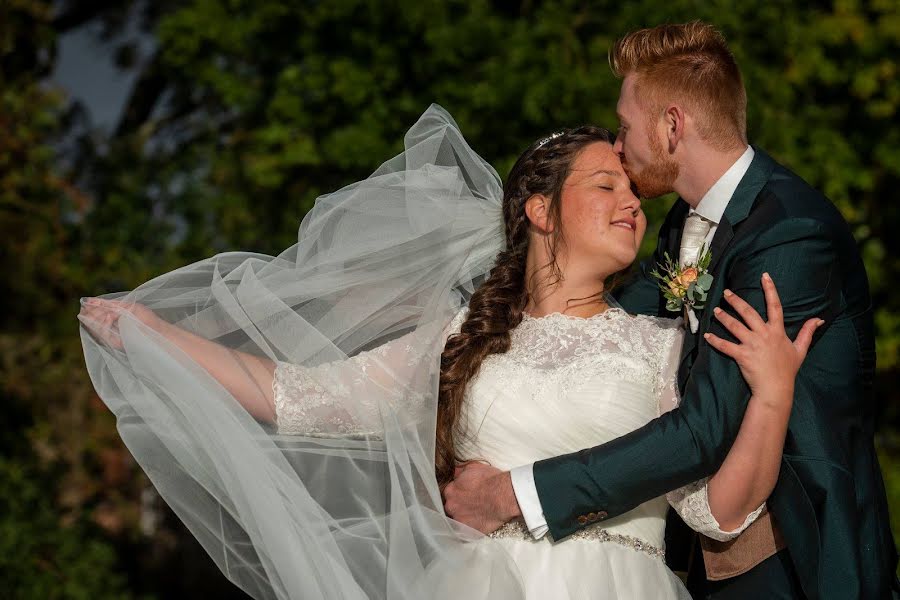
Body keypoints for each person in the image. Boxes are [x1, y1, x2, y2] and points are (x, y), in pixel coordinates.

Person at [80, 106, 814, 599]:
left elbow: (719, 513)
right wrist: (153, 332)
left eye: (635, 193)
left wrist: (773, 394)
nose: (633, 203)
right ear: (539, 210)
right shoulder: (463, 337)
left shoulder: (662, 345)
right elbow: (293, 395)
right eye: (605, 186)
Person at [445, 21, 899, 600]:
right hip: (704, 562)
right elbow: (594, 317)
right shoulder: (688, 225)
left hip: (795, 560)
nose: (618, 145)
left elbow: (704, 431)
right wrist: (475, 320)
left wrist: (516, 495)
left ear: (672, 125)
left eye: (625, 127)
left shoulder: (790, 235)